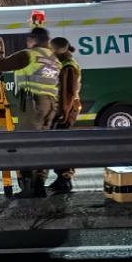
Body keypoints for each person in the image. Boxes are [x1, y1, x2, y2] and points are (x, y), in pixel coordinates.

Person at [0, 27, 59, 198]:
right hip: (50, 105)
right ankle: (39, 185)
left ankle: (28, 188)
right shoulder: (52, 57)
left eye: (29, 39)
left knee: (24, 144)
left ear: (34, 40)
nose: (27, 42)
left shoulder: (29, 55)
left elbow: (1, 65)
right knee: (41, 146)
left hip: (33, 104)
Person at [47, 37, 82, 193]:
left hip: (66, 112)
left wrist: (61, 114)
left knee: (61, 146)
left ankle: (65, 179)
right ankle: (61, 178)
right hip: (66, 110)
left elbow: (66, 95)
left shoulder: (68, 67)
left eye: (52, 50)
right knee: (59, 145)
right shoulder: (67, 64)